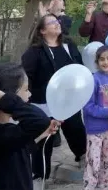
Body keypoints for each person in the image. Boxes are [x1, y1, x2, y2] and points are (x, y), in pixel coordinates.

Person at [0, 63, 61, 190]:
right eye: (25, 89)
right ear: (9, 95)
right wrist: (4, 100)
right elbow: (41, 121)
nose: (29, 94)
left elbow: (14, 152)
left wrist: (41, 135)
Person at [21, 13, 87, 182]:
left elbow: (79, 67)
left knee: (76, 129)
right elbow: (27, 76)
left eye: (57, 21)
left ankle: (81, 156)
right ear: (42, 31)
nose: (57, 23)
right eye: (51, 22)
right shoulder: (34, 51)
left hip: (68, 100)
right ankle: (40, 175)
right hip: (44, 102)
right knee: (46, 139)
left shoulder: (68, 45)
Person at [82, 46, 108, 190]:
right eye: (102, 59)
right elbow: (87, 107)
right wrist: (107, 113)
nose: (105, 62)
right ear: (97, 62)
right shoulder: (93, 80)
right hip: (95, 130)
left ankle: (103, 186)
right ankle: (90, 187)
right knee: (93, 162)